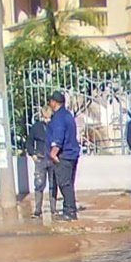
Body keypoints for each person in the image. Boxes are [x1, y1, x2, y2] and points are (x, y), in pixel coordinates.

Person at [46, 91, 80, 220]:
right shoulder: (67, 115)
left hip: (64, 155)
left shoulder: (59, 117)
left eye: (50, 101)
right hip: (72, 153)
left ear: (54, 102)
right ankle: (69, 209)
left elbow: (58, 136)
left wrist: (53, 153)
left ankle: (70, 212)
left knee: (64, 184)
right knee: (69, 183)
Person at [25, 107, 57, 217]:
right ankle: (38, 210)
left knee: (53, 184)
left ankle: (54, 210)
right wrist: (32, 154)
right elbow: (29, 142)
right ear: (42, 116)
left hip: (52, 159)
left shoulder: (54, 126)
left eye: (49, 118)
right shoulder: (36, 127)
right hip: (40, 159)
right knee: (39, 184)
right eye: (45, 117)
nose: (47, 120)